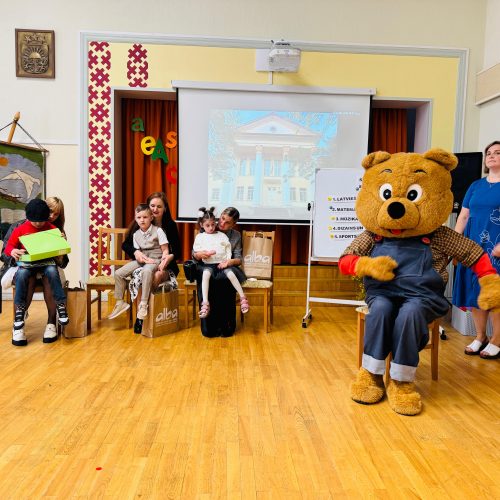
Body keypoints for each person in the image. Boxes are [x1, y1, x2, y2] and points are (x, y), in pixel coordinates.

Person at [453, 140, 500, 359]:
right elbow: (463, 216)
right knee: (476, 292)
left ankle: (497, 340)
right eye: (489, 153)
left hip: (496, 247)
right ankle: (480, 336)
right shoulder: (476, 185)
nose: (491, 155)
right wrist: (456, 242)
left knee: (496, 295)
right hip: (473, 247)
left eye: (497, 152)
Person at [1, 197, 69, 338]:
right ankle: (19, 318)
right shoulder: (19, 227)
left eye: (56, 214)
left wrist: (60, 246)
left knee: (50, 273)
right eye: (50, 211)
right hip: (24, 265)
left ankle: (52, 320)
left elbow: (63, 261)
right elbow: (6, 250)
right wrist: (14, 253)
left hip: (47, 266)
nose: (52, 216)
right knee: (26, 275)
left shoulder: (55, 230)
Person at [108, 203, 173, 321]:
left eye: (145, 217)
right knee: (118, 273)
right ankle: (120, 302)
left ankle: (143, 304)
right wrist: (139, 257)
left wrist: (163, 262)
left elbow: (165, 250)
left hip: (155, 259)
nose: (142, 220)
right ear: (135, 218)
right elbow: (137, 251)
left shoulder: (158, 231)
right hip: (143, 259)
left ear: (151, 217)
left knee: (146, 271)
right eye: (139, 217)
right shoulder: (135, 234)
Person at [192, 206, 246, 337]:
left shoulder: (235, 236)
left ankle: (226, 325)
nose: (222, 223)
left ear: (233, 224)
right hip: (207, 266)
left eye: (227, 222)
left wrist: (229, 262)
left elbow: (239, 259)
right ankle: (209, 322)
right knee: (207, 276)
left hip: (226, 266)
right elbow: (194, 253)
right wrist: (199, 254)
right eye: (222, 218)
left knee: (225, 278)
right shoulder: (208, 227)